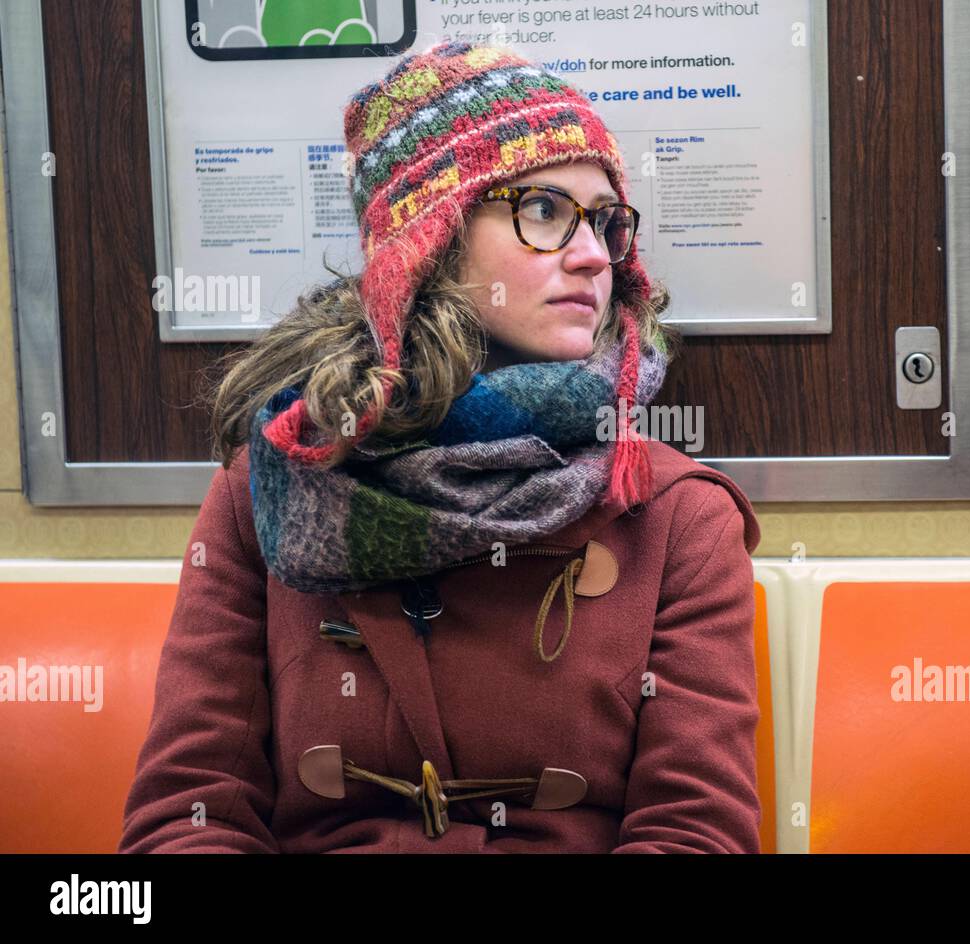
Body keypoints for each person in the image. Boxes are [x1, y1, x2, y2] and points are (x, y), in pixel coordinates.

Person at [118, 40, 762, 853]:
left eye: (604, 219)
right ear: (431, 241)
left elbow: (694, 833)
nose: (595, 253)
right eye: (543, 210)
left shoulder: (677, 518)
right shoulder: (275, 483)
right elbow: (192, 811)